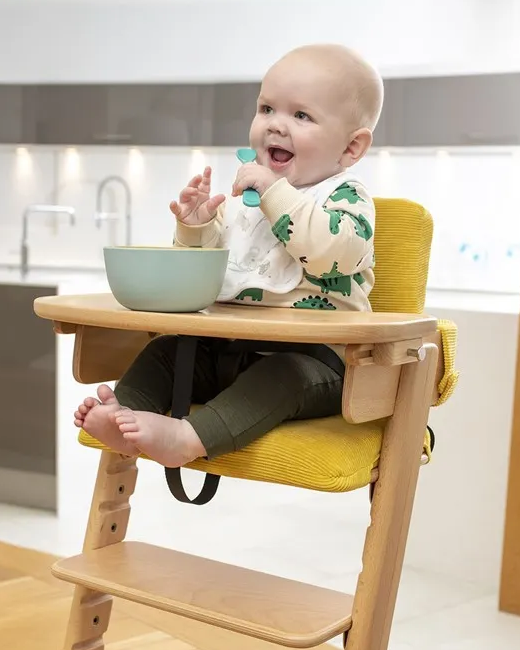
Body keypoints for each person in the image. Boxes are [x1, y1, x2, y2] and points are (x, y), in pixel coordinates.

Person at [74, 43, 383, 468]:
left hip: (316, 366)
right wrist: (197, 227)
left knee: (282, 378)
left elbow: (334, 256)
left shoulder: (347, 199)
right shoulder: (243, 203)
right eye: (267, 108)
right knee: (164, 352)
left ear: (351, 149)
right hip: (224, 354)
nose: (275, 125)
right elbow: (198, 283)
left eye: (301, 115)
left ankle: (188, 438)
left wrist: (275, 193)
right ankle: (124, 412)